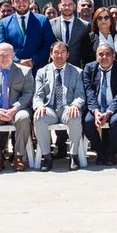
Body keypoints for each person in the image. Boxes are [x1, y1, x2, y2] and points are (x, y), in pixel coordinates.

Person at [0, 42, 35, 172]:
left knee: (24, 118)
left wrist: (15, 109)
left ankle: (19, 156)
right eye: (1, 55)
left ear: (13, 55)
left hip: (17, 110)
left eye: (7, 55)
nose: (4, 58)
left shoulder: (25, 72)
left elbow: (28, 93)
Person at [32, 40, 86, 172]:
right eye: (56, 52)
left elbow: (80, 95)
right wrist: (39, 106)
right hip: (49, 108)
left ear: (68, 54)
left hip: (67, 107)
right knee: (38, 117)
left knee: (75, 116)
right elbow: (37, 95)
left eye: (63, 52)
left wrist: (75, 105)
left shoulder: (77, 72)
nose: (59, 55)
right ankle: (47, 157)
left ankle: (74, 156)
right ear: (50, 54)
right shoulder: (42, 72)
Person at [82, 41, 117, 167]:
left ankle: (111, 153)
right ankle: (100, 152)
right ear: (96, 56)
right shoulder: (89, 68)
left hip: (116, 107)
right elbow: (89, 92)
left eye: (107, 54)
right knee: (88, 122)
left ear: (114, 56)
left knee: (116, 122)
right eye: (101, 54)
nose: (104, 57)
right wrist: (96, 111)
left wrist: (109, 112)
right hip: (97, 106)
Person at [0, 0, 55, 69]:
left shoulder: (42, 20)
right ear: (12, 3)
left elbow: (49, 44)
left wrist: (33, 61)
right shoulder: (4, 23)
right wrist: (17, 61)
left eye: (24, 0)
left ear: (29, 1)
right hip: (14, 69)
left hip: (38, 69)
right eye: (17, 1)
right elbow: (2, 45)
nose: (21, 3)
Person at [52, 0, 92, 68]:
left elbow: (87, 52)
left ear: (74, 6)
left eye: (70, 4)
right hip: (56, 68)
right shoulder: (51, 24)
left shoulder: (85, 26)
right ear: (59, 7)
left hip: (76, 69)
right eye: (64, 5)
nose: (67, 7)